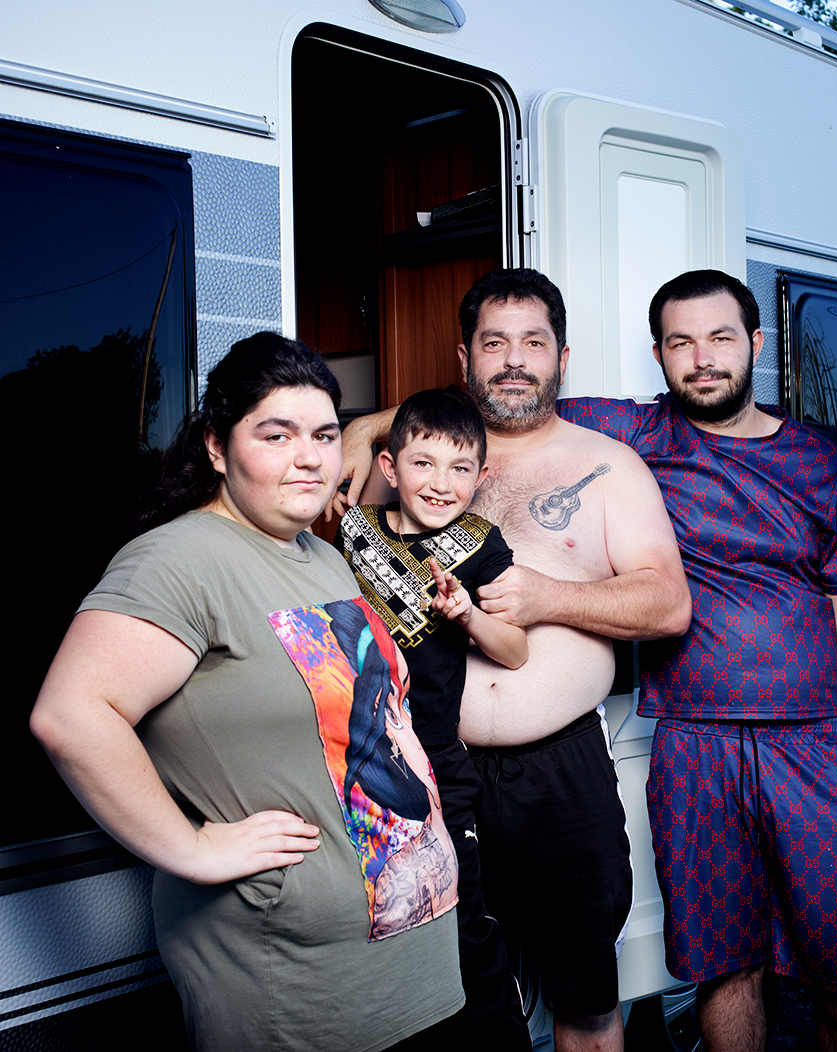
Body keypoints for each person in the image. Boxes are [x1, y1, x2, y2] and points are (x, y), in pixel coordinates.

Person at [30, 333, 464, 1052]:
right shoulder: (180, 560)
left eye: (325, 435)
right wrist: (192, 847)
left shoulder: (320, 556)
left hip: (407, 954)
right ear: (216, 448)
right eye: (276, 433)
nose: (309, 456)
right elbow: (72, 716)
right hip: (294, 977)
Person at [337, 270, 691, 1052]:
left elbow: (668, 606)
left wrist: (546, 598)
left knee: (586, 1000)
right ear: (464, 356)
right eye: (495, 342)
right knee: (442, 995)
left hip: (558, 773)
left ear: (563, 356)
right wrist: (363, 428)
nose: (514, 361)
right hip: (425, 772)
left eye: (533, 342)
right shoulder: (416, 455)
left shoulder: (607, 466)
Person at [555, 270, 837, 1052]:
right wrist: (377, 422)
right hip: (694, 746)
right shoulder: (638, 437)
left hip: (810, 748)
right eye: (681, 342)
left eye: (719, 338)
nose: (701, 358)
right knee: (724, 968)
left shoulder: (821, 467)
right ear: (659, 354)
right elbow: (503, 408)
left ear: (753, 345)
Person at [334, 386, 531, 1049]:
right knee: (378, 921)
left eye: (457, 469)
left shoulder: (481, 545)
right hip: (358, 763)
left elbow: (516, 649)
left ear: (480, 476)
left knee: (464, 920)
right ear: (391, 467)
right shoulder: (350, 531)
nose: (439, 484)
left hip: (439, 765)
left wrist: (468, 616)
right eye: (422, 464)